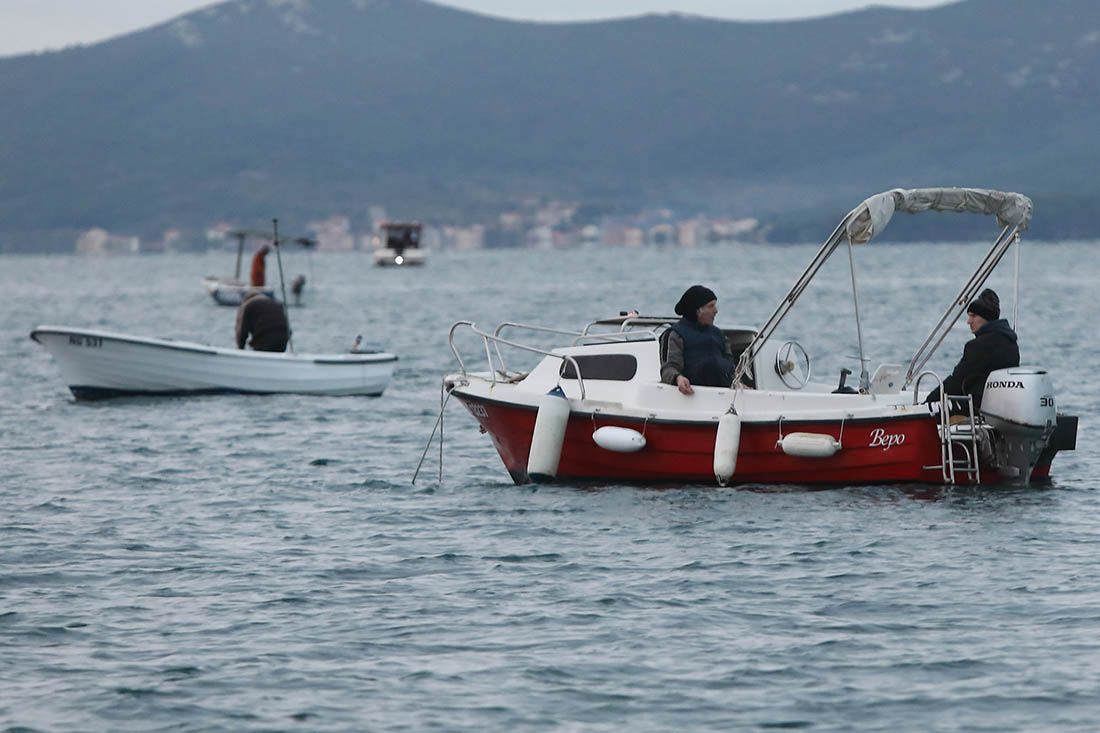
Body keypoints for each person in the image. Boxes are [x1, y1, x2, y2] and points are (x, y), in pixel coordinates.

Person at [925, 288, 1019, 411]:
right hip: (1003, 409)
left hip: (977, 410)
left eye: (973, 316)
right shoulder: (1011, 342)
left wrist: (927, 402)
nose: (969, 321)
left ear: (986, 317)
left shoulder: (978, 346)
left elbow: (956, 381)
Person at [661, 284, 735, 395]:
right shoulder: (675, 334)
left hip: (724, 393)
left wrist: (737, 383)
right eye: (711, 306)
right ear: (697, 310)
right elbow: (668, 368)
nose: (716, 311)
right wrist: (678, 378)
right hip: (693, 394)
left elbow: (730, 368)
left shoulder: (720, 335)